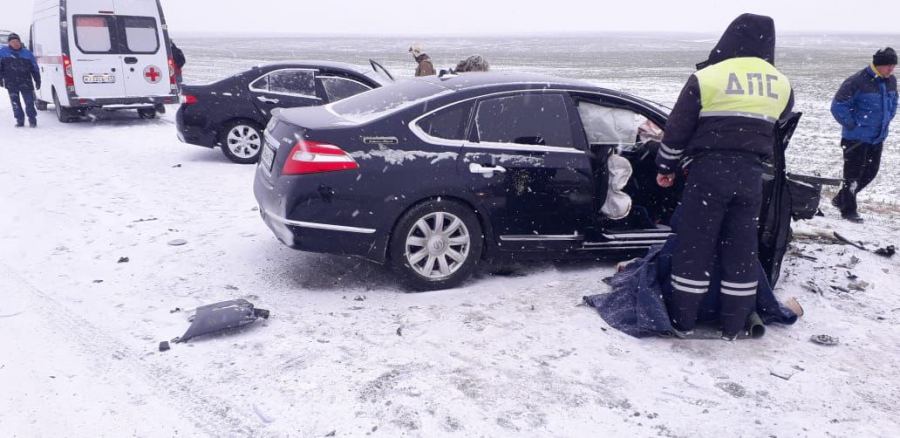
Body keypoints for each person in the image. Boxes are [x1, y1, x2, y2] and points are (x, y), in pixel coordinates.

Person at [655, 14, 794, 341]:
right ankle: (733, 324)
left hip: (709, 172)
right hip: (751, 177)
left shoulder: (707, 77)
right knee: (741, 249)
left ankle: (684, 321)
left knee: (695, 246)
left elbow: (677, 130)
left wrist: (666, 168)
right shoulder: (781, 84)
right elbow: (781, 121)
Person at [829, 47, 898, 223]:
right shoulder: (857, 81)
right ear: (878, 64)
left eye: (893, 65)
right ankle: (848, 210)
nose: (891, 69)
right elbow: (838, 106)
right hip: (856, 139)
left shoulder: (891, 81)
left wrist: (888, 118)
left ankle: (841, 199)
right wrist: (854, 126)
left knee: (870, 172)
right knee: (852, 176)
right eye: (888, 65)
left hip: (877, 137)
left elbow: (894, 102)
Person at [0, 32, 41, 128]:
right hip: (11, 83)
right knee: (15, 103)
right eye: (13, 41)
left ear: (20, 42)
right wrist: (0, 79)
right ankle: (20, 120)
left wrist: (37, 80)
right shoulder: (3, 52)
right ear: (9, 43)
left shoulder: (27, 53)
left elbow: (34, 67)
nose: (15, 43)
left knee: (29, 102)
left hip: (26, 82)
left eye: (17, 41)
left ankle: (32, 120)